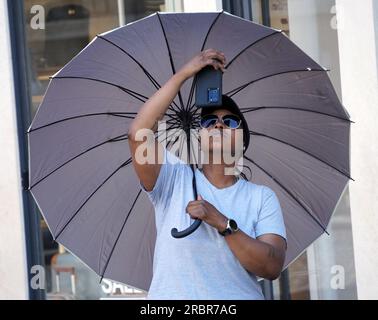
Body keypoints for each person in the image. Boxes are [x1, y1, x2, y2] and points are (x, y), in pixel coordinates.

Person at [128, 49, 287, 299]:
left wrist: (222, 222)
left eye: (231, 121)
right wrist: (184, 73)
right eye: (209, 121)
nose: (219, 124)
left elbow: (272, 265)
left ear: (242, 141)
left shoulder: (261, 198)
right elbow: (138, 132)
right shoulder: (173, 178)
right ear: (199, 138)